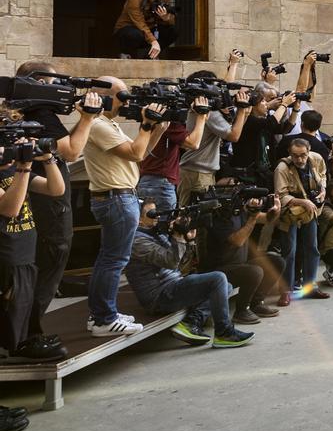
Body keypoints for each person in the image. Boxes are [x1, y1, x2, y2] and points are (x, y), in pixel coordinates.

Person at [12, 62, 99, 339]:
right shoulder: (39, 112)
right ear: (39, 83)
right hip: (45, 198)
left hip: (29, 193)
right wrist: (88, 118)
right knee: (52, 258)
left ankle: (21, 332)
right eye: (54, 82)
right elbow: (72, 151)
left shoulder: (22, 109)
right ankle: (29, 334)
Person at [83, 79, 169, 336]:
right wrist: (145, 125)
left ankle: (101, 313)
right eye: (122, 95)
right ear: (104, 97)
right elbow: (135, 153)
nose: (128, 101)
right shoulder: (98, 125)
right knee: (114, 259)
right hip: (116, 199)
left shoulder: (108, 124)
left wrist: (158, 129)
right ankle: (104, 319)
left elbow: (140, 152)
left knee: (109, 258)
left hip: (119, 197)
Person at [125, 204, 253, 348]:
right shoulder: (137, 240)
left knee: (226, 286)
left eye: (158, 212)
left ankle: (191, 322)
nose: (158, 217)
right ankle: (224, 333)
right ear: (139, 219)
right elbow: (171, 262)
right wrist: (177, 237)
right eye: (152, 214)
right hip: (159, 297)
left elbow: (182, 265)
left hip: (173, 286)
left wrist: (189, 239)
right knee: (218, 279)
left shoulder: (157, 233)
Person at [0, 139, 68, 362]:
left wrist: (46, 158)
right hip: (6, 250)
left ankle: (22, 342)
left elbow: (56, 189)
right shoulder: (15, 169)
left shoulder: (13, 168)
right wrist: (24, 166)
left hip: (25, 246)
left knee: (24, 302)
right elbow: (10, 208)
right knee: (10, 302)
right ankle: (11, 347)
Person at [199, 188, 285, 324]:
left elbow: (267, 218)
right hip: (219, 269)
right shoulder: (218, 217)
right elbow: (237, 241)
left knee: (277, 261)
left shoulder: (239, 212)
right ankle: (241, 311)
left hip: (239, 264)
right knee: (254, 272)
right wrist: (253, 218)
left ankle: (256, 303)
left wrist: (276, 209)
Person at [178, 70, 251, 206]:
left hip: (195, 170)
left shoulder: (199, 108)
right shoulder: (208, 112)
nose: (218, 90)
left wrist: (244, 114)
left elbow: (231, 131)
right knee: (195, 220)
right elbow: (234, 136)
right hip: (198, 173)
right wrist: (241, 110)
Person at [273, 137, 329, 302]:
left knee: (312, 248)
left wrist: (323, 190)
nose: (300, 159)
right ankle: (285, 290)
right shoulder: (282, 168)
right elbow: (280, 195)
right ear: (290, 153)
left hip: (310, 210)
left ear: (308, 150)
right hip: (290, 211)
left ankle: (310, 286)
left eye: (303, 155)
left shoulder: (316, 158)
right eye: (295, 156)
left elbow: (323, 175)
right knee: (289, 251)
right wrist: (301, 201)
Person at [137, 95, 209, 212]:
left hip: (148, 180)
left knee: (147, 225)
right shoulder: (167, 121)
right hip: (160, 184)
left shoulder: (150, 117)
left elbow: (182, 145)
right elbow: (194, 144)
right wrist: (201, 116)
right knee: (163, 225)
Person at [112, 0, 177, 59]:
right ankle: (125, 53)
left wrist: (166, 18)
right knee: (135, 34)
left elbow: (171, 22)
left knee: (173, 31)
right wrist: (154, 41)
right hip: (129, 30)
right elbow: (140, 24)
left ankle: (150, 56)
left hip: (150, 30)